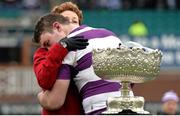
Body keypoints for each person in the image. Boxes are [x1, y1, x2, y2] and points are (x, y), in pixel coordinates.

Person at [34, 12, 123, 114]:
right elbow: (128, 78)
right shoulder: (111, 36)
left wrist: (40, 96)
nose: (49, 50)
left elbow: (54, 101)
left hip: (97, 110)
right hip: (127, 107)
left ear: (57, 27)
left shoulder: (67, 49)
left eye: (48, 43)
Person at [33, 15, 88, 115]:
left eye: (74, 21)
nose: (49, 49)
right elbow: (44, 81)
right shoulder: (43, 52)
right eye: (46, 43)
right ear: (58, 26)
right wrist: (61, 47)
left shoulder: (87, 43)